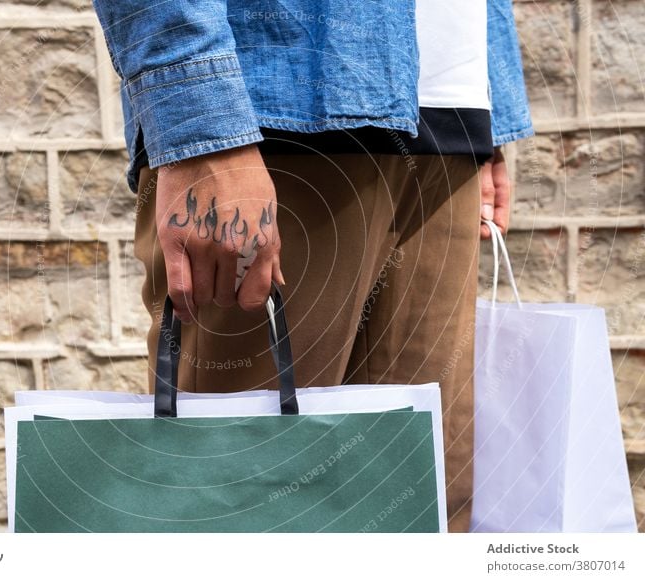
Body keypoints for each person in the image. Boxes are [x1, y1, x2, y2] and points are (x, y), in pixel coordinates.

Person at [91, 0, 533, 532]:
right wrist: (198, 123)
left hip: (448, 122)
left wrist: (490, 108)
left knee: (424, 511)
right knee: (241, 509)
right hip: (277, 112)